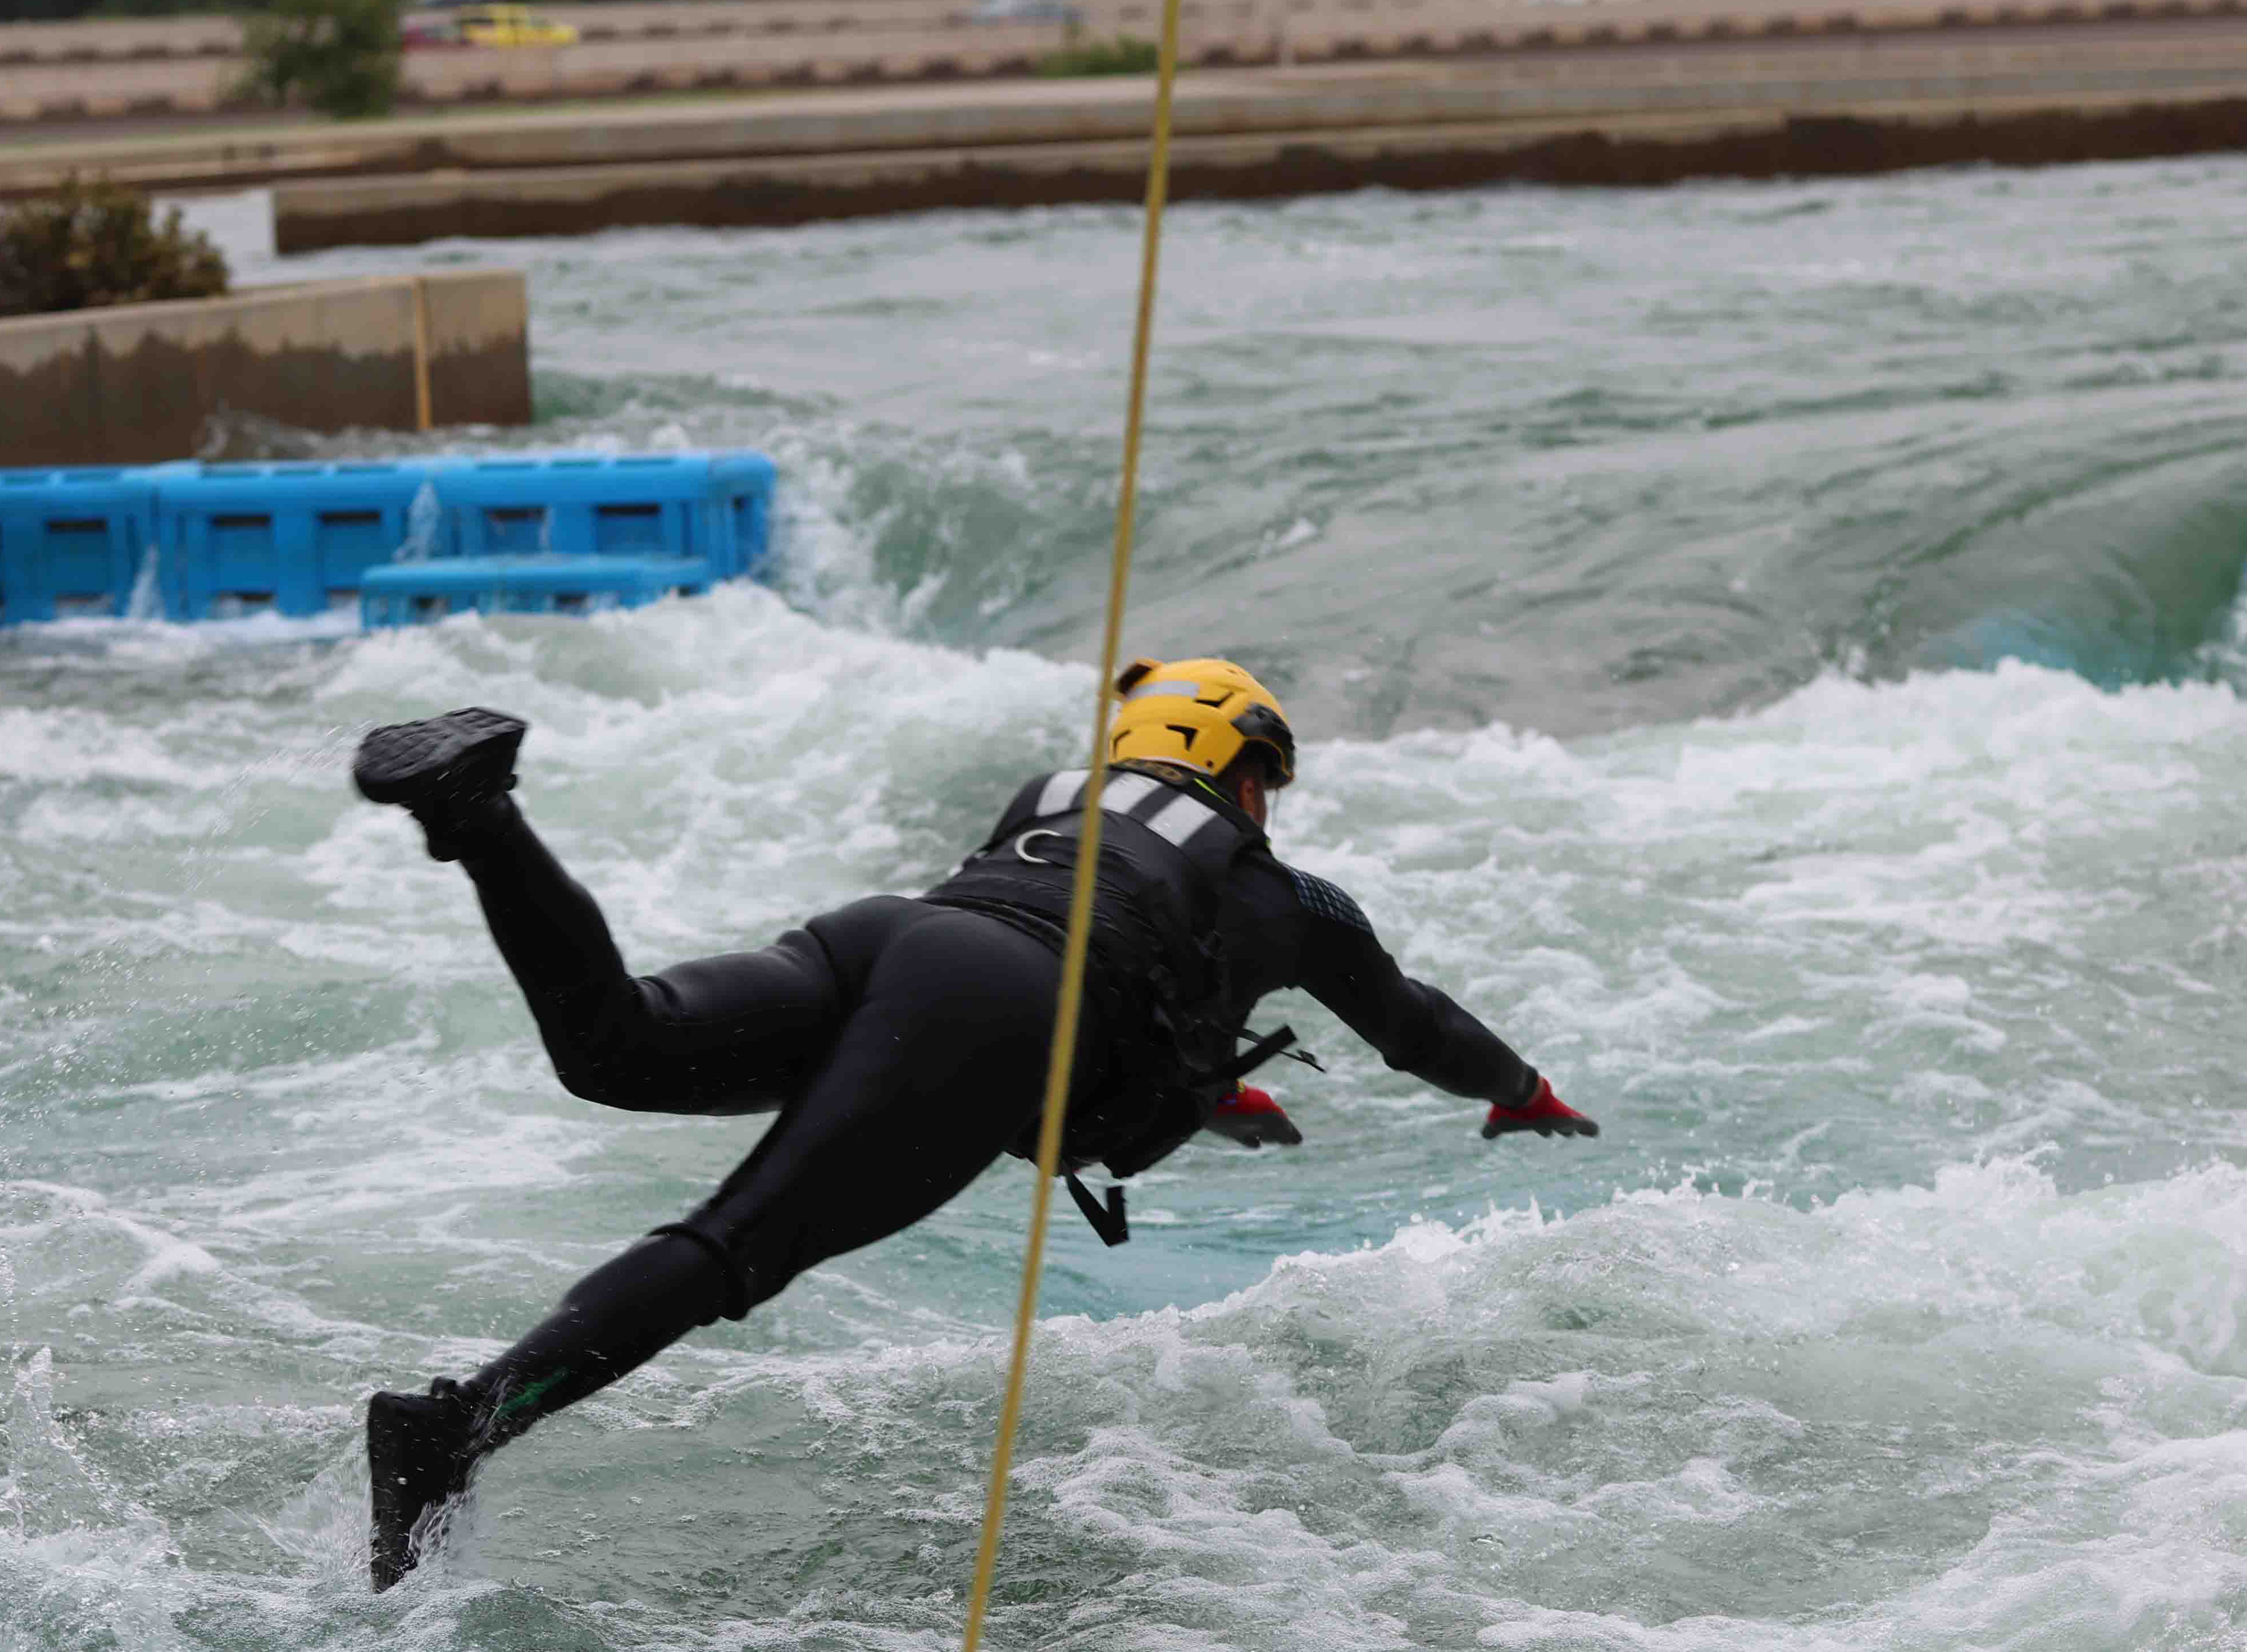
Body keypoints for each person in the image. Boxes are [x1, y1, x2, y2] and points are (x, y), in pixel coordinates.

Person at [343, 661, 1596, 1585]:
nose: (1268, 809)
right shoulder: (1290, 896)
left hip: (886, 936)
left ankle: (476, 809)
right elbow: (1414, 1023)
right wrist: (1520, 1091)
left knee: (617, 1042)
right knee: (740, 1243)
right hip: (995, 1002)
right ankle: (452, 1425)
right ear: (1241, 763)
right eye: (1267, 781)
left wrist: (1207, 1096)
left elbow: (1103, 959)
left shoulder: (1044, 793)